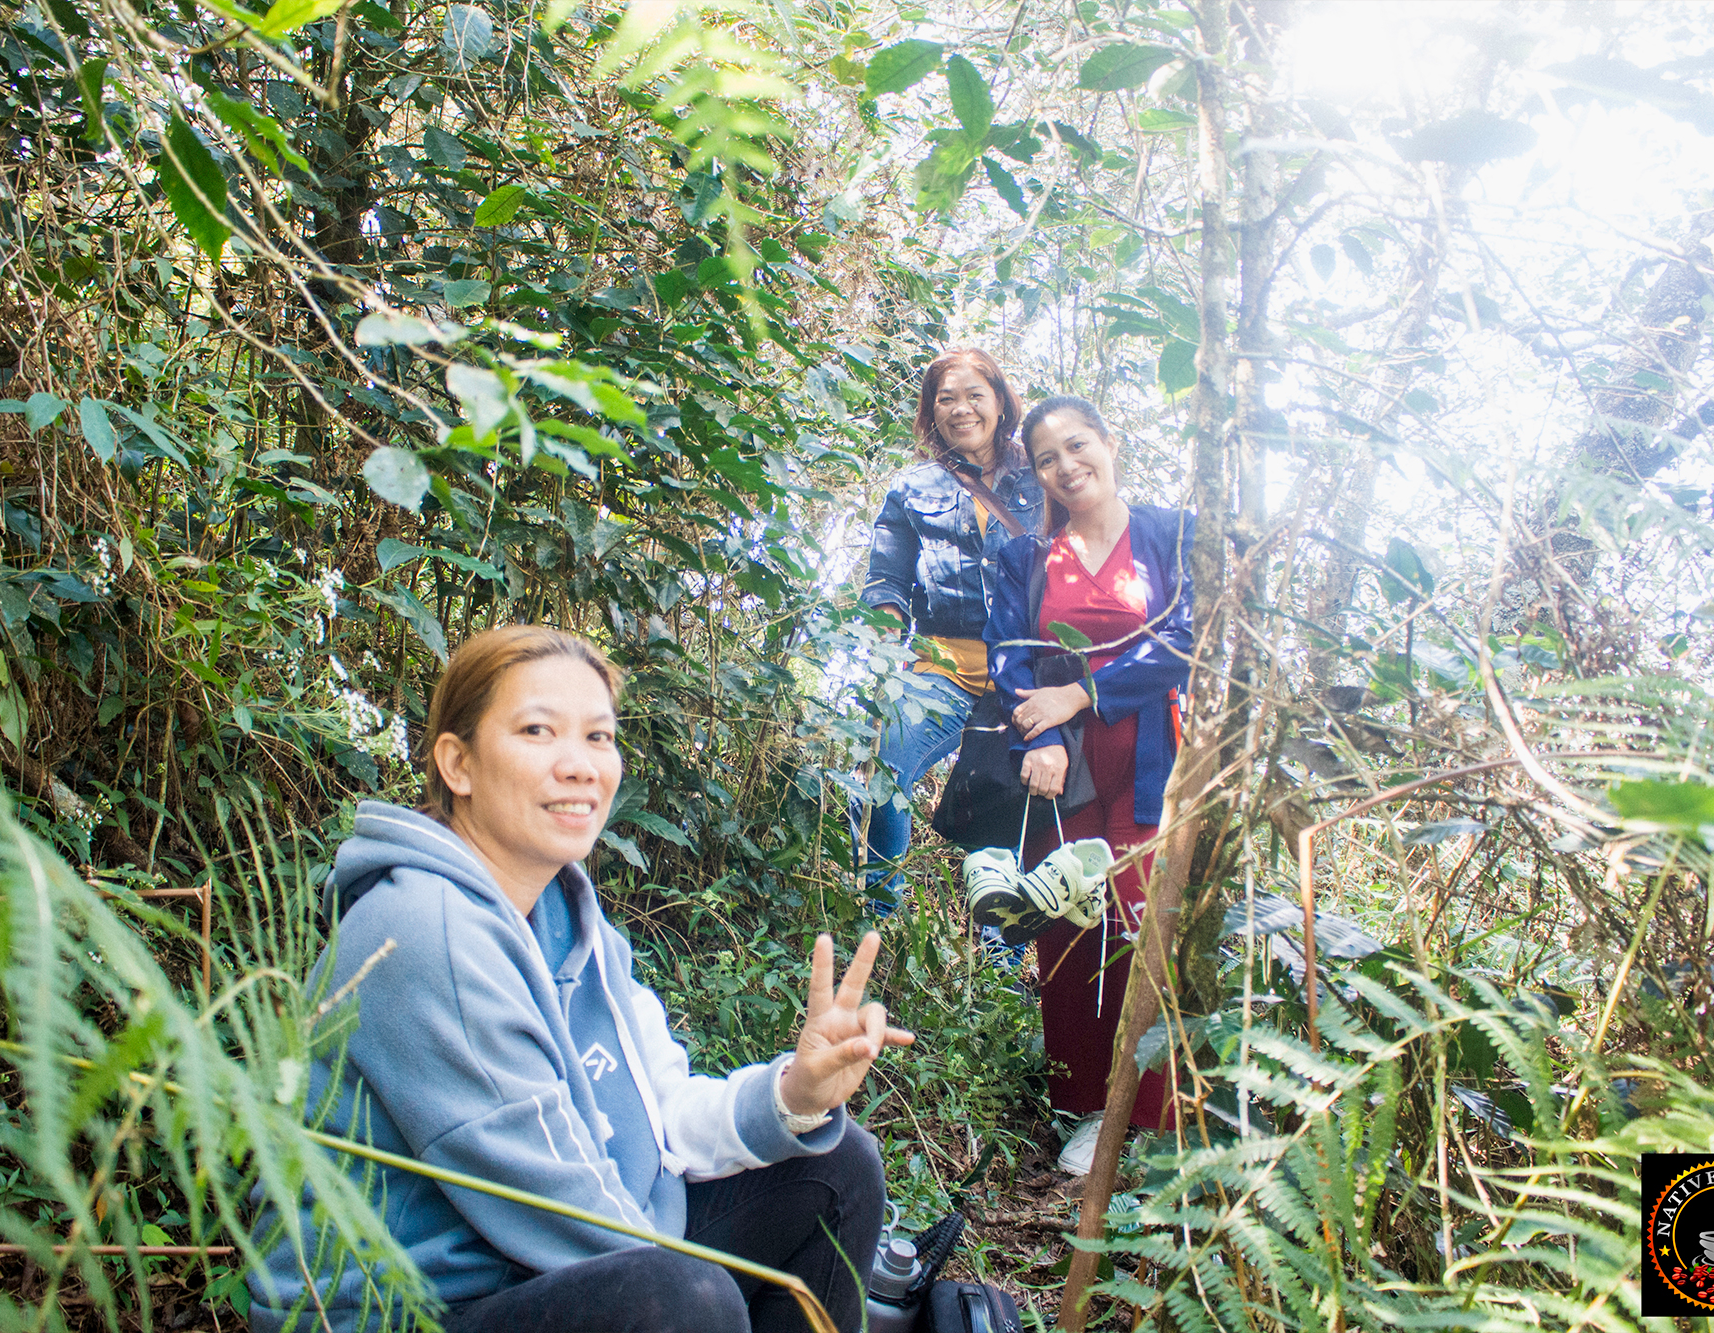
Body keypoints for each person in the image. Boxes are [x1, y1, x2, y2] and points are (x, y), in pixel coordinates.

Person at [249, 625, 913, 1333]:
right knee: (684, 1300)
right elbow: (562, 1211)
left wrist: (796, 1095)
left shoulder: (570, 922)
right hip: (406, 1308)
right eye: (538, 730)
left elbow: (664, 1111)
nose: (580, 765)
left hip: (541, 1266)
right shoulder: (423, 931)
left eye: (599, 736)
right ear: (458, 763)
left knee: (837, 1167)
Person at [983, 396, 1194, 1175]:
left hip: (1149, 755)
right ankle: (1080, 1108)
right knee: (1067, 923)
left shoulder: (1171, 533)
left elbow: (1185, 637)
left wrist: (1082, 693)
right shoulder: (1028, 557)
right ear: (1034, 473)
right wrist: (1043, 731)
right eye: (1047, 459)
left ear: (1110, 442)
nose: (1067, 467)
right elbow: (1010, 654)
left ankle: (1144, 1117)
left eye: (1078, 446)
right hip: (1061, 765)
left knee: (1138, 922)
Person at [860, 348, 1043, 910]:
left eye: (974, 396)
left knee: (1012, 805)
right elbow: (885, 581)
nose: (961, 410)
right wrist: (887, 657)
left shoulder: (1042, 477)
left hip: (1025, 680)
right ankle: (877, 919)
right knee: (879, 773)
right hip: (941, 672)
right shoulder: (913, 488)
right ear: (931, 411)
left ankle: (1001, 953)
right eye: (946, 399)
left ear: (1000, 402)